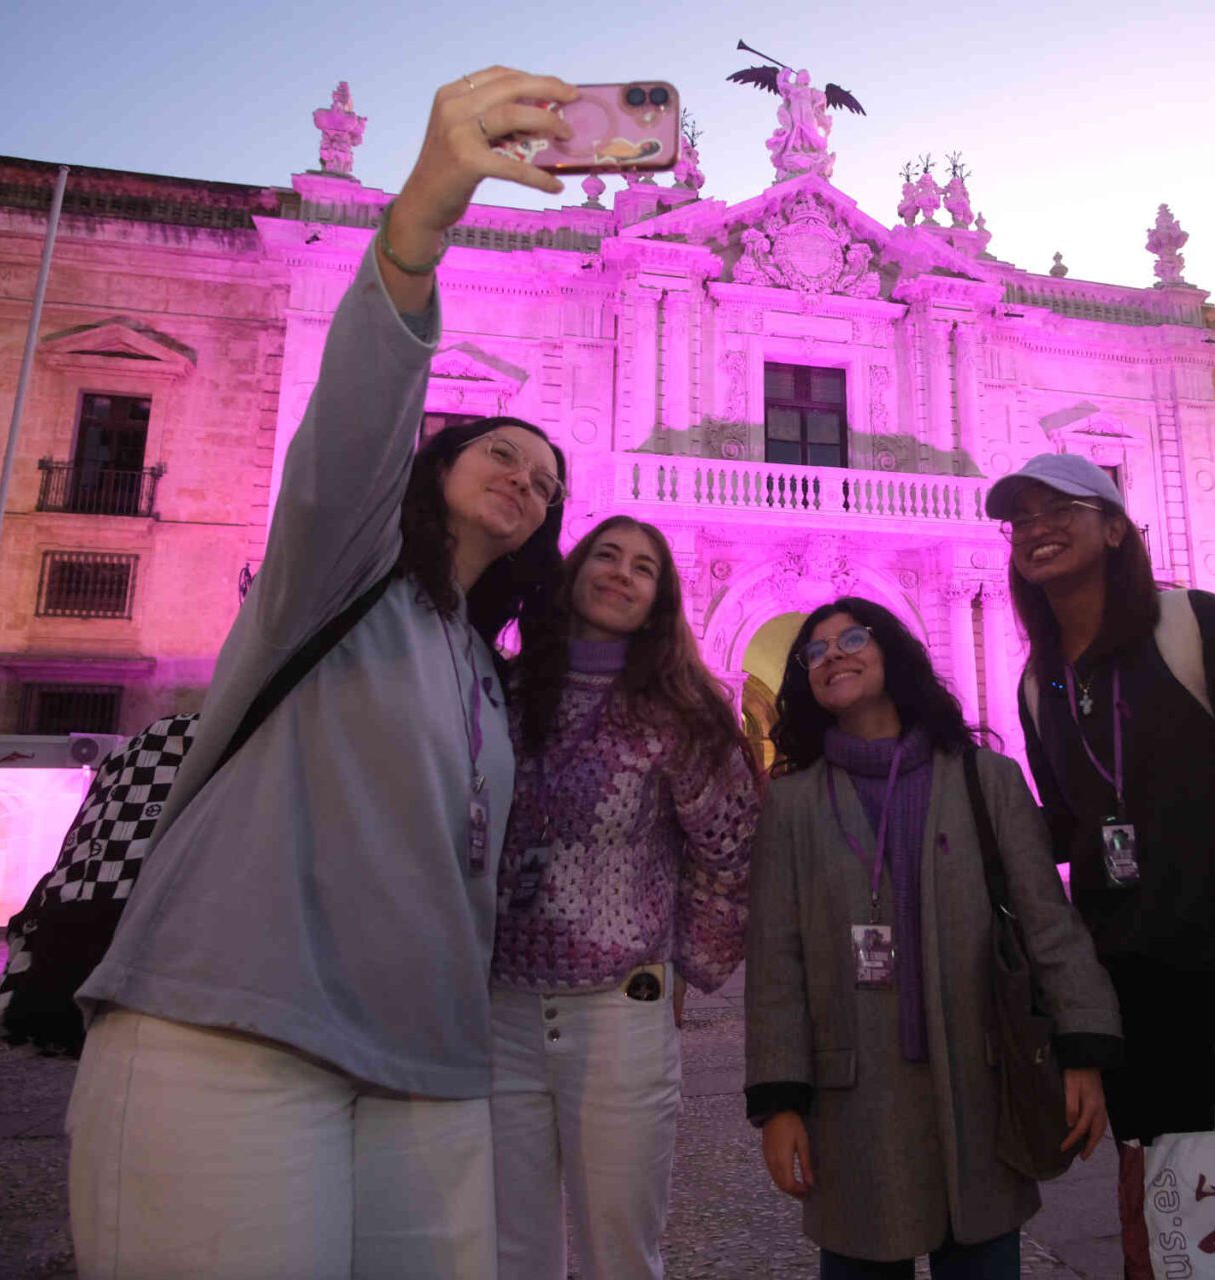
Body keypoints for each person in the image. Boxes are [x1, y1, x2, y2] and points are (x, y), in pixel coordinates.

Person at [66, 65, 582, 1279]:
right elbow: (358, 410)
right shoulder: (337, 571)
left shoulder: (477, 667)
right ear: (429, 464)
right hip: (233, 1026)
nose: (529, 478)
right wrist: (422, 218)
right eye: (498, 449)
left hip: (427, 1067)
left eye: (550, 480)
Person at [744, 598, 1122, 1280]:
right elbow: (776, 961)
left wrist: (1084, 1049)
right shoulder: (793, 804)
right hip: (853, 1099)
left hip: (980, 1085)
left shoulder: (986, 779)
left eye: (852, 638)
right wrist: (779, 1102)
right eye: (816, 651)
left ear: (893, 652)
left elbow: (1048, 923)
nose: (833, 654)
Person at [988, 452, 1215, 1150]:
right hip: (1133, 994)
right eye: (1021, 520)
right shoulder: (1042, 684)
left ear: (1116, 529)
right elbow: (1067, 829)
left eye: (1060, 510)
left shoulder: (1199, 628)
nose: (1036, 529)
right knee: (1165, 1207)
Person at [492, 515, 760, 1280]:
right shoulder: (506, 693)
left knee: (620, 1250)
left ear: (659, 600)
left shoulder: (683, 713)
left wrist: (680, 963)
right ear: (574, 573)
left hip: (618, 1006)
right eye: (606, 555)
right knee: (511, 1248)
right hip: (498, 1005)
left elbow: (730, 847)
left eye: (644, 567)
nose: (621, 573)